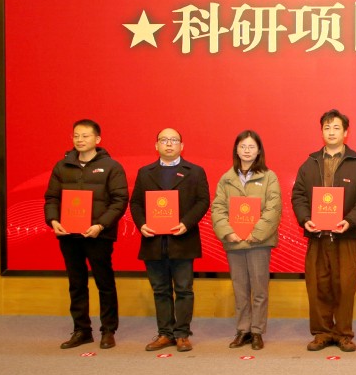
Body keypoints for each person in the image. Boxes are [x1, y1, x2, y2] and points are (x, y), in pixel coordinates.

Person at [291, 109, 356, 353]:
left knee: (345, 286)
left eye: (336, 127)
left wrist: (350, 220)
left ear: (345, 132)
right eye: (327, 127)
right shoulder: (310, 163)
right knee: (318, 285)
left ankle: (343, 334)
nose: (331, 132)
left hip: (345, 236)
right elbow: (298, 195)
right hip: (317, 236)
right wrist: (305, 219)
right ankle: (322, 332)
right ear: (321, 132)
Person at [44, 119, 129, 349]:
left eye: (85, 136)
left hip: (98, 234)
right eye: (76, 136)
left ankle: (108, 330)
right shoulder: (62, 166)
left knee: (104, 282)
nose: (80, 140)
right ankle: (81, 330)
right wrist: (53, 220)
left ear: (97, 139)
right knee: (76, 283)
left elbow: (119, 200)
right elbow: (52, 197)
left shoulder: (111, 167)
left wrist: (100, 225)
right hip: (69, 234)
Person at [130, 128, 211, 353]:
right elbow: (135, 203)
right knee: (160, 289)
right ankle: (165, 333)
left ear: (181, 146)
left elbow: (203, 201)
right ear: (156, 145)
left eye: (173, 140)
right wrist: (141, 224)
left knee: (184, 289)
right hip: (153, 241)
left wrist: (187, 223)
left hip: (183, 239)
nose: (168, 144)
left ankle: (182, 333)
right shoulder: (145, 172)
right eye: (164, 140)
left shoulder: (195, 172)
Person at [211, 130, 282, 351]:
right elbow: (218, 208)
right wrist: (227, 232)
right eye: (243, 146)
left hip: (258, 242)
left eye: (251, 147)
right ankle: (243, 330)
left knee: (259, 289)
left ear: (259, 150)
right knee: (240, 288)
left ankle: (257, 330)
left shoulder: (269, 177)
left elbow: (273, 209)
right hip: (234, 242)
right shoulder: (227, 178)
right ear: (236, 150)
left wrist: (257, 233)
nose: (247, 150)